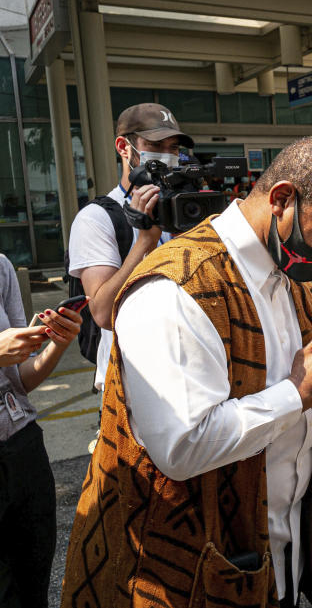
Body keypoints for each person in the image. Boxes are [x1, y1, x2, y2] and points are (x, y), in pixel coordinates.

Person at [60, 137, 312, 608]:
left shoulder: (294, 285)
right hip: (180, 576)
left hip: (278, 555)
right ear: (281, 200)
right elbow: (183, 446)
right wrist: (300, 391)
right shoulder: (177, 288)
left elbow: (287, 411)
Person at [67, 103, 192, 451]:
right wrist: (145, 242)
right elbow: (103, 312)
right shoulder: (97, 219)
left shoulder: (185, 211)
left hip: (188, 371)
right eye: (156, 147)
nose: (168, 157)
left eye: (174, 149)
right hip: (132, 385)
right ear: (125, 148)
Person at [0, 253, 83, 607]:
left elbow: (21, 379)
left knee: (35, 588)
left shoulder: (1, 266)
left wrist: (57, 343)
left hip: (23, 446)